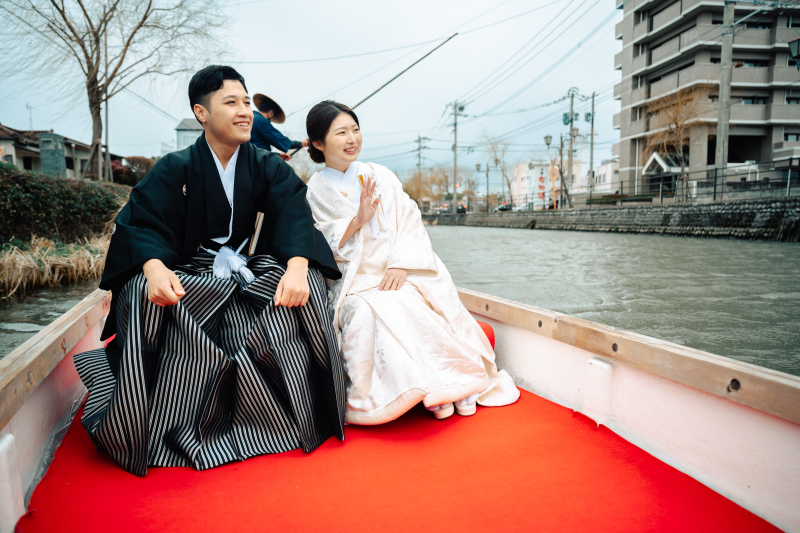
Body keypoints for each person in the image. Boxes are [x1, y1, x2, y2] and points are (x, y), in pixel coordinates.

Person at [72, 66, 346, 476]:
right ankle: (150, 421)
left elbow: (294, 213)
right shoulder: (175, 166)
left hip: (240, 269)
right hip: (185, 270)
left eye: (246, 102)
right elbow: (141, 222)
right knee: (142, 294)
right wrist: (153, 266)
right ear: (201, 113)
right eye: (230, 102)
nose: (244, 112)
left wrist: (297, 266)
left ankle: (288, 414)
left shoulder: (265, 165)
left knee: (303, 287)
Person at [303, 101, 519, 425]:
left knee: (407, 299)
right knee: (366, 311)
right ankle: (391, 396)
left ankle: (448, 386)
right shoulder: (315, 190)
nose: (352, 139)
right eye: (341, 132)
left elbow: (409, 221)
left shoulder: (381, 175)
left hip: (396, 271)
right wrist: (358, 219)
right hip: (354, 281)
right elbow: (319, 241)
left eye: (356, 129)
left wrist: (401, 265)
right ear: (319, 143)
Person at [250, 92, 308, 161]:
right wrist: (301, 143)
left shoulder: (252, 118)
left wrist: (277, 156)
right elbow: (279, 139)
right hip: (255, 163)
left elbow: (257, 146)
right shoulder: (261, 121)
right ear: (271, 113)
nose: (271, 122)